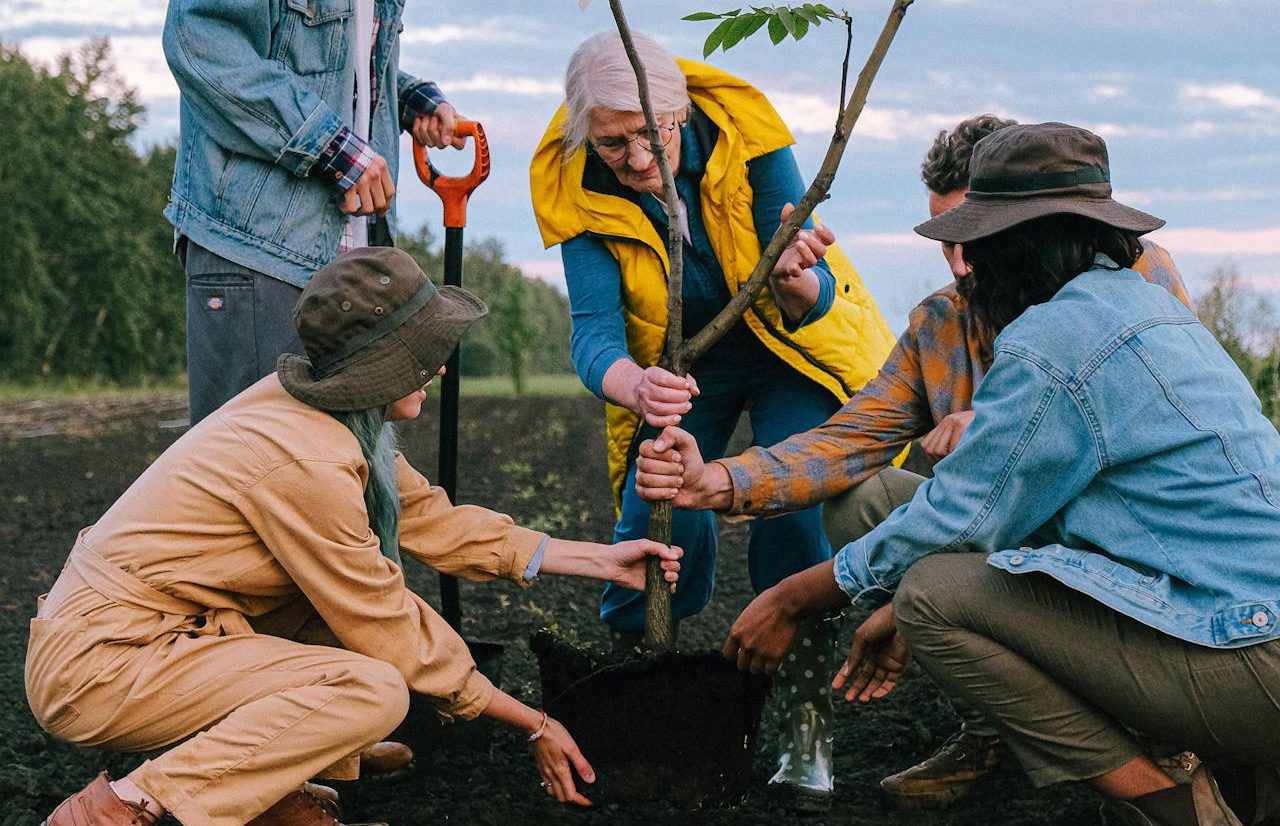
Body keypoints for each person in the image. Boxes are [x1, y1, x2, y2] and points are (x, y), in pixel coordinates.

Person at [677, 122, 1280, 826]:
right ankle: (1048, 736)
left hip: (1241, 646)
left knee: (934, 595)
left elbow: (962, 514)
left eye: (975, 244)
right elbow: (857, 440)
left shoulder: (1057, 335)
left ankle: (1173, 804)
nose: (963, 266)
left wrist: (795, 598)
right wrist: (720, 481)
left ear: (1020, 243)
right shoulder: (1137, 306)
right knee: (902, 538)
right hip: (1220, 608)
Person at [27, 247, 683, 826]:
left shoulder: (329, 415)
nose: (441, 370)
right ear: (383, 367)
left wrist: (602, 561)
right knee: (371, 687)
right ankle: (122, 808)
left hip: (170, 631)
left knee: (327, 622)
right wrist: (530, 719)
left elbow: (428, 516)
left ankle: (272, 793)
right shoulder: (304, 459)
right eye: (427, 358)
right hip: (102, 664)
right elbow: (384, 620)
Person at [527, 30, 897, 803]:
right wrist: (632, 384)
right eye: (611, 142)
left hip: (788, 350)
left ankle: (802, 720)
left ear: (682, 110)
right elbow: (593, 331)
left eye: (646, 136)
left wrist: (798, 280)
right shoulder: (572, 179)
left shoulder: (749, 134)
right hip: (679, 367)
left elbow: (813, 290)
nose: (632, 160)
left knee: (793, 505)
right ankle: (642, 684)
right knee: (656, 507)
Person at [162, 0, 467, 425]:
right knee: (256, 462)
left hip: (351, 253)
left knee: (344, 460)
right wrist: (330, 147)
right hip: (259, 247)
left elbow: (335, 62)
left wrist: (405, 97)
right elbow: (204, 46)